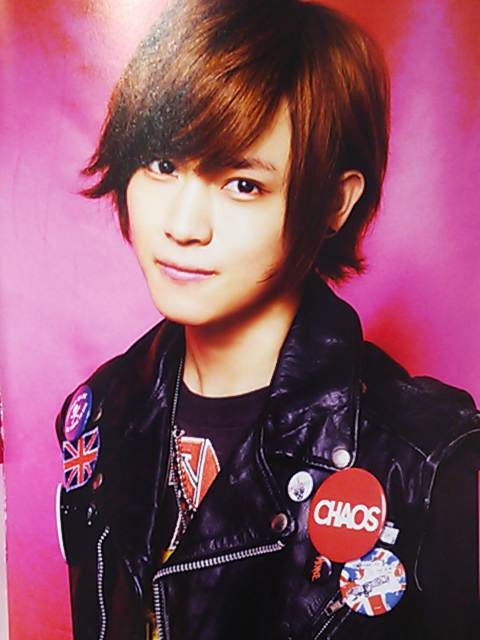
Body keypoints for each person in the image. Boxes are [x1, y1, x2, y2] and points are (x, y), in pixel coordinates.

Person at [55, 0, 480, 638]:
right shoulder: (98, 415)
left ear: (334, 203)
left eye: (243, 184)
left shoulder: (420, 458)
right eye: (163, 165)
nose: (183, 226)